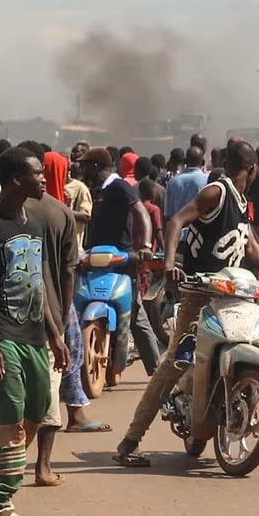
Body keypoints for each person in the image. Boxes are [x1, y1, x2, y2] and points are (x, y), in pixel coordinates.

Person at [117, 141, 259, 463]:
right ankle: (130, 442)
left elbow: (250, 245)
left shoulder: (242, 202)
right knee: (176, 362)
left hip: (233, 293)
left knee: (253, 351)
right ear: (251, 168)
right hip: (200, 294)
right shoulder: (216, 193)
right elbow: (175, 221)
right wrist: (172, 264)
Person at [0, 148, 68, 516]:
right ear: (15, 180)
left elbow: (37, 284)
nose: (44, 179)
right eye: (37, 174)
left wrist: (55, 333)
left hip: (35, 334)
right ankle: (1, 502)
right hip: (2, 335)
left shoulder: (34, 222)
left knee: (38, 410)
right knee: (10, 414)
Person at [77, 146, 161, 381]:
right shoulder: (99, 190)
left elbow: (141, 213)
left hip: (121, 260)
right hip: (95, 258)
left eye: (85, 166)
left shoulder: (119, 186)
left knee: (135, 315)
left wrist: (145, 245)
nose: (81, 170)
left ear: (96, 167)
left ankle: (157, 372)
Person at [163, 144, 209, 222]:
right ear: (203, 162)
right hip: (200, 231)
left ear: (185, 161)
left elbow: (168, 214)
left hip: (178, 231)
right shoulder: (208, 180)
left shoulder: (173, 182)